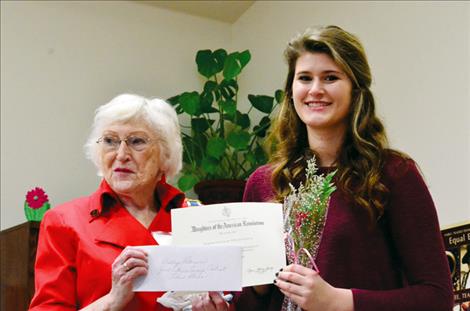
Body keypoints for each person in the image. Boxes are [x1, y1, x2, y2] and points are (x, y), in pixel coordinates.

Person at [196, 25, 454, 311]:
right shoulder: (263, 182)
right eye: (305, 78)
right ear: (291, 91)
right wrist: (234, 301)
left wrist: (338, 302)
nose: (315, 89)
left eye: (330, 78)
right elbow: (254, 302)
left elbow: (437, 296)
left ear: (356, 91)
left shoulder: (393, 174)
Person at [29, 94, 194, 310]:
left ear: (165, 154)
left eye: (137, 141)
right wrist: (112, 300)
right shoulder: (64, 221)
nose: (121, 154)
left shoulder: (193, 218)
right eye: (110, 141)